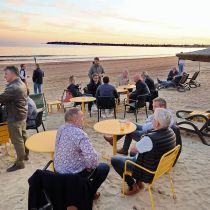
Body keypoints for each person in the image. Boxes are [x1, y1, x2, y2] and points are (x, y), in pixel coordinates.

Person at [111, 108, 176, 195]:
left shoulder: (150, 139)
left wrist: (143, 139)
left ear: (157, 123)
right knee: (135, 154)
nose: (152, 120)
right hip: (158, 168)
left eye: (153, 118)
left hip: (147, 172)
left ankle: (132, 185)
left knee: (114, 160)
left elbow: (133, 148)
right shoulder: (171, 133)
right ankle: (139, 183)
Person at [54, 108, 110, 200]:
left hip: (58, 171)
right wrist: (90, 167)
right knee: (104, 168)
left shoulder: (61, 128)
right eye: (82, 118)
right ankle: (90, 192)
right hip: (72, 175)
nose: (83, 120)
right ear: (75, 120)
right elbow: (92, 157)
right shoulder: (79, 134)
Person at [104, 97, 175, 155]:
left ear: (162, 106)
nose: (153, 108)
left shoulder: (163, 117)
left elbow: (146, 127)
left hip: (149, 133)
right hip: (152, 130)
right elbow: (149, 122)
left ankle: (122, 148)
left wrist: (151, 120)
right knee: (130, 124)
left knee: (129, 130)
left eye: (155, 106)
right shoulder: (164, 113)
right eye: (153, 106)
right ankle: (114, 140)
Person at [0, 66, 28, 172]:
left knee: (17, 140)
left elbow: (2, 98)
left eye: (6, 74)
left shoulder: (13, 87)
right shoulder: (21, 83)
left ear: (13, 74)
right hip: (22, 114)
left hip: (15, 116)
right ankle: (25, 155)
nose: (4, 76)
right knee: (23, 136)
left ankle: (20, 162)